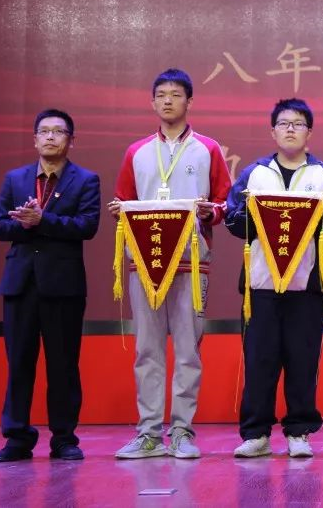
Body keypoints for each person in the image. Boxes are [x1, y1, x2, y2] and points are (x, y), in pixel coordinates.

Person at [109, 68, 231, 459]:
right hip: (144, 262)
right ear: (152, 102)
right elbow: (123, 199)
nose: (167, 100)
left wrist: (210, 212)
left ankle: (181, 432)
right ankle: (148, 433)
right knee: (147, 349)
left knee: (188, 349)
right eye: (161, 94)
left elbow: (225, 202)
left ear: (189, 101)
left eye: (176, 94)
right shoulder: (137, 151)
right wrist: (119, 211)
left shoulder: (208, 149)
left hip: (191, 262)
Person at [227, 98, 323, 459]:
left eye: (298, 124)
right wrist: (254, 212)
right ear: (272, 131)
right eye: (283, 123)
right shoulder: (254, 174)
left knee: (302, 359)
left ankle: (299, 431)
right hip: (261, 285)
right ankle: (256, 434)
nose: (290, 129)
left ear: (309, 132)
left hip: (307, 284)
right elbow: (233, 220)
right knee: (259, 360)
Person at [0, 109, 100, 463]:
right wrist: (23, 224)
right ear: (35, 138)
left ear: (71, 140)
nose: (51, 137)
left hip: (63, 286)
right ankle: (17, 438)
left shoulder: (86, 180)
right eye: (44, 131)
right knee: (19, 363)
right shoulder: (15, 179)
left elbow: (87, 226)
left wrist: (43, 220)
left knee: (63, 365)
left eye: (58, 131)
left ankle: (64, 438)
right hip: (20, 284)